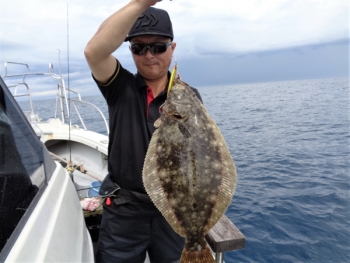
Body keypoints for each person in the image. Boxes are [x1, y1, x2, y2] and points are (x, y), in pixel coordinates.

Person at [84, 1, 202, 262]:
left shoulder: (188, 96)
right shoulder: (119, 86)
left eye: (158, 47)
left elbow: (199, 156)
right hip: (124, 211)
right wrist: (141, 3)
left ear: (172, 49)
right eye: (139, 48)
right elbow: (94, 52)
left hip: (173, 209)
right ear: (132, 51)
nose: (149, 55)